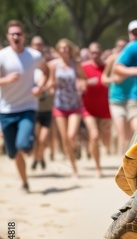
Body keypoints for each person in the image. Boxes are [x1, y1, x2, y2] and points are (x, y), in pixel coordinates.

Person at [0, 20, 47, 192]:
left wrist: (40, 87)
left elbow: (46, 70)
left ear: (24, 36)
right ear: (7, 37)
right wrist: (6, 79)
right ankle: (24, 181)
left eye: (18, 33)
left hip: (27, 107)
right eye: (12, 34)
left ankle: (28, 140)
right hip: (6, 110)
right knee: (13, 153)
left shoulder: (34, 55)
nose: (15, 36)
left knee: (23, 145)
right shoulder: (2, 56)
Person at [101, 23, 137, 154]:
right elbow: (103, 78)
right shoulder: (113, 59)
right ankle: (121, 163)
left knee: (133, 133)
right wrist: (114, 79)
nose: (120, 49)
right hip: (116, 99)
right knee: (122, 134)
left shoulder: (136, 56)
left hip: (134, 99)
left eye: (122, 46)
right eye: (118, 46)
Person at [46, 38, 87, 178]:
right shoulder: (53, 66)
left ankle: (76, 146)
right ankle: (74, 168)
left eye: (66, 48)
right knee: (65, 138)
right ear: (58, 50)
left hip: (75, 105)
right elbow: (51, 82)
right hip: (59, 106)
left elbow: (83, 78)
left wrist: (81, 84)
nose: (64, 50)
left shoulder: (76, 64)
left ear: (70, 49)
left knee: (71, 135)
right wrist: (50, 88)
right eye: (62, 48)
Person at [82, 42, 112, 177]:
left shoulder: (107, 67)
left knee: (106, 141)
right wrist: (87, 83)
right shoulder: (83, 67)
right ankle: (98, 168)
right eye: (92, 52)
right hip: (88, 109)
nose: (95, 55)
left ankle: (92, 147)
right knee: (94, 136)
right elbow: (77, 83)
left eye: (97, 52)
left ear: (101, 53)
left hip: (105, 109)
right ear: (89, 53)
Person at [30, 35, 54, 171]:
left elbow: (52, 82)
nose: (38, 47)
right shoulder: (29, 65)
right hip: (33, 108)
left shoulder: (49, 65)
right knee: (36, 138)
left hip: (46, 108)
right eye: (35, 44)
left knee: (43, 139)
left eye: (40, 44)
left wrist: (43, 88)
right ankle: (36, 158)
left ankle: (40, 156)